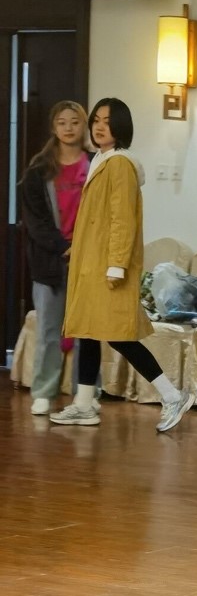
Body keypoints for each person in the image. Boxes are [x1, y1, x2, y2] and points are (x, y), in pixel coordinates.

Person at [51, 98, 193, 432]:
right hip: (92, 264)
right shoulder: (102, 159)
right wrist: (79, 248)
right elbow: (98, 219)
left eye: (108, 121)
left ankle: (172, 395)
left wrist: (116, 264)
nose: (100, 127)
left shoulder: (119, 163)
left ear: (122, 126)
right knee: (88, 332)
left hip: (108, 269)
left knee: (118, 336)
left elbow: (122, 219)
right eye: (96, 120)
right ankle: (84, 404)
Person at [19, 101, 93, 416]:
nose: (68, 128)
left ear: (84, 126)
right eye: (62, 122)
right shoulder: (38, 171)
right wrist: (63, 247)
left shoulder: (96, 164)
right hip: (49, 262)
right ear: (54, 128)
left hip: (88, 261)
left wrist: (84, 248)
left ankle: (86, 394)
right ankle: (44, 392)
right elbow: (35, 221)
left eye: (74, 121)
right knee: (48, 331)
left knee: (87, 332)